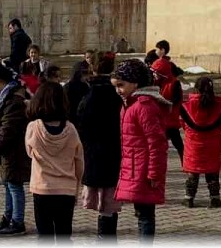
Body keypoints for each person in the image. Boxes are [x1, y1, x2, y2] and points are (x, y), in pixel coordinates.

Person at [112, 59, 168, 242]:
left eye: (121, 85)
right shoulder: (129, 103)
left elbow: (157, 143)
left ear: (135, 83)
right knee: (141, 213)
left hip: (143, 170)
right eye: (115, 86)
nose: (118, 90)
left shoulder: (143, 106)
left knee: (145, 215)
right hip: (135, 168)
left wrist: (154, 173)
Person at [25, 81, 84, 244]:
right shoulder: (71, 129)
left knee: (44, 236)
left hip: (42, 188)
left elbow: (29, 153)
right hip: (66, 189)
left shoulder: (33, 127)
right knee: (65, 235)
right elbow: (79, 160)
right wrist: (78, 183)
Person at [76, 54, 122, 240]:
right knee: (110, 202)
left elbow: (81, 125)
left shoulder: (88, 96)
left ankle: (104, 238)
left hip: (93, 154)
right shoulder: (119, 95)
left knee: (105, 202)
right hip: (114, 153)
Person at [0, 61, 29, 236]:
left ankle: (17, 220)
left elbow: (9, 127)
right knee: (8, 183)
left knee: (14, 184)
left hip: (13, 149)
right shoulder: (5, 95)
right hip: (8, 148)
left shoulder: (13, 99)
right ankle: (8, 216)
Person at [180, 77, 221, 208]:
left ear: (196, 88)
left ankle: (189, 198)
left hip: (193, 144)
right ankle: (215, 198)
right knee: (212, 171)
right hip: (212, 143)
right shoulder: (219, 106)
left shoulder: (187, 106)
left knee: (193, 171)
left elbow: (182, 123)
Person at [149, 45, 184, 163]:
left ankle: (186, 162)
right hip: (159, 120)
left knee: (178, 143)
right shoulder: (155, 82)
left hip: (170, 119)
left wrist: (163, 102)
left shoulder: (174, 83)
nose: (154, 75)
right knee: (157, 146)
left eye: (156, 72)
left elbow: (176, 100)